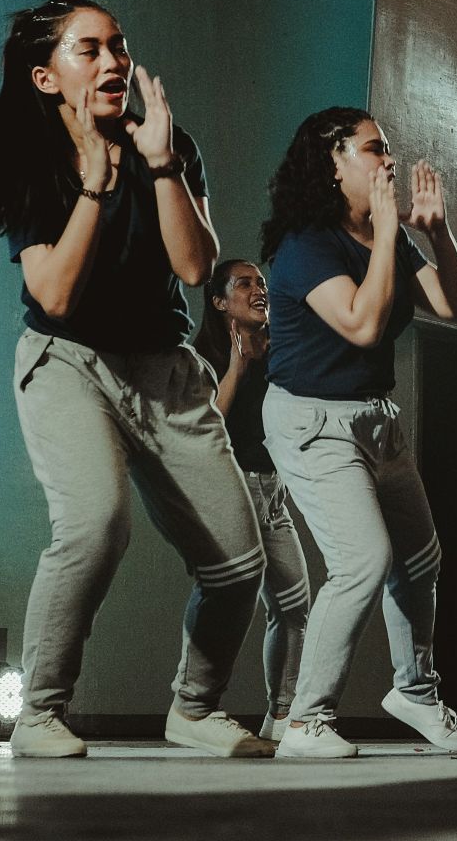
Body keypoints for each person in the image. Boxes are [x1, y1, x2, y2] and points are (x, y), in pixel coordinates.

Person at [0, 0, 269, 759]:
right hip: (68, 361)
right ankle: (40, 713)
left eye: (118, 45)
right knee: (94, 526)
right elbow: (53, 293)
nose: (114, 61)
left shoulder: (168, 141)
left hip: (167, 368)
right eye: (88, 50)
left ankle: (193, 708)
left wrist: (159, 163)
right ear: (47, 77)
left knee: (237, 561)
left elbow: (195, 267)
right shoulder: (32, 161)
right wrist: (92, 182)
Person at [258, 107, 457, 758]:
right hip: (310, 418)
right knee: (362, 562)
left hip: (377, 419)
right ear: (333, 164)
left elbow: (456, 307)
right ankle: (304, 720)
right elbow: (360, 324)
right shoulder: (305, 246)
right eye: (374, 148)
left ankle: (414, 690)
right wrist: (386, 234)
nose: (389, 159)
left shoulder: (390, 236)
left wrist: (435, 234)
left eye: (388, 146)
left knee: (419, 560)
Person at [191, 258, 312, 741]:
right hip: (230, 486)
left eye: (261, 282)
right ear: (220, 301)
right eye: (245, 283)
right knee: (221, 600)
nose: (259, 289)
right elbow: (206, 424)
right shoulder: (202, 353)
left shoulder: (279, 349)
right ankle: (196, 707)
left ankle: (281, 715)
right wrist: (238, 366)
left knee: (294, 603)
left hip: (272, 490)